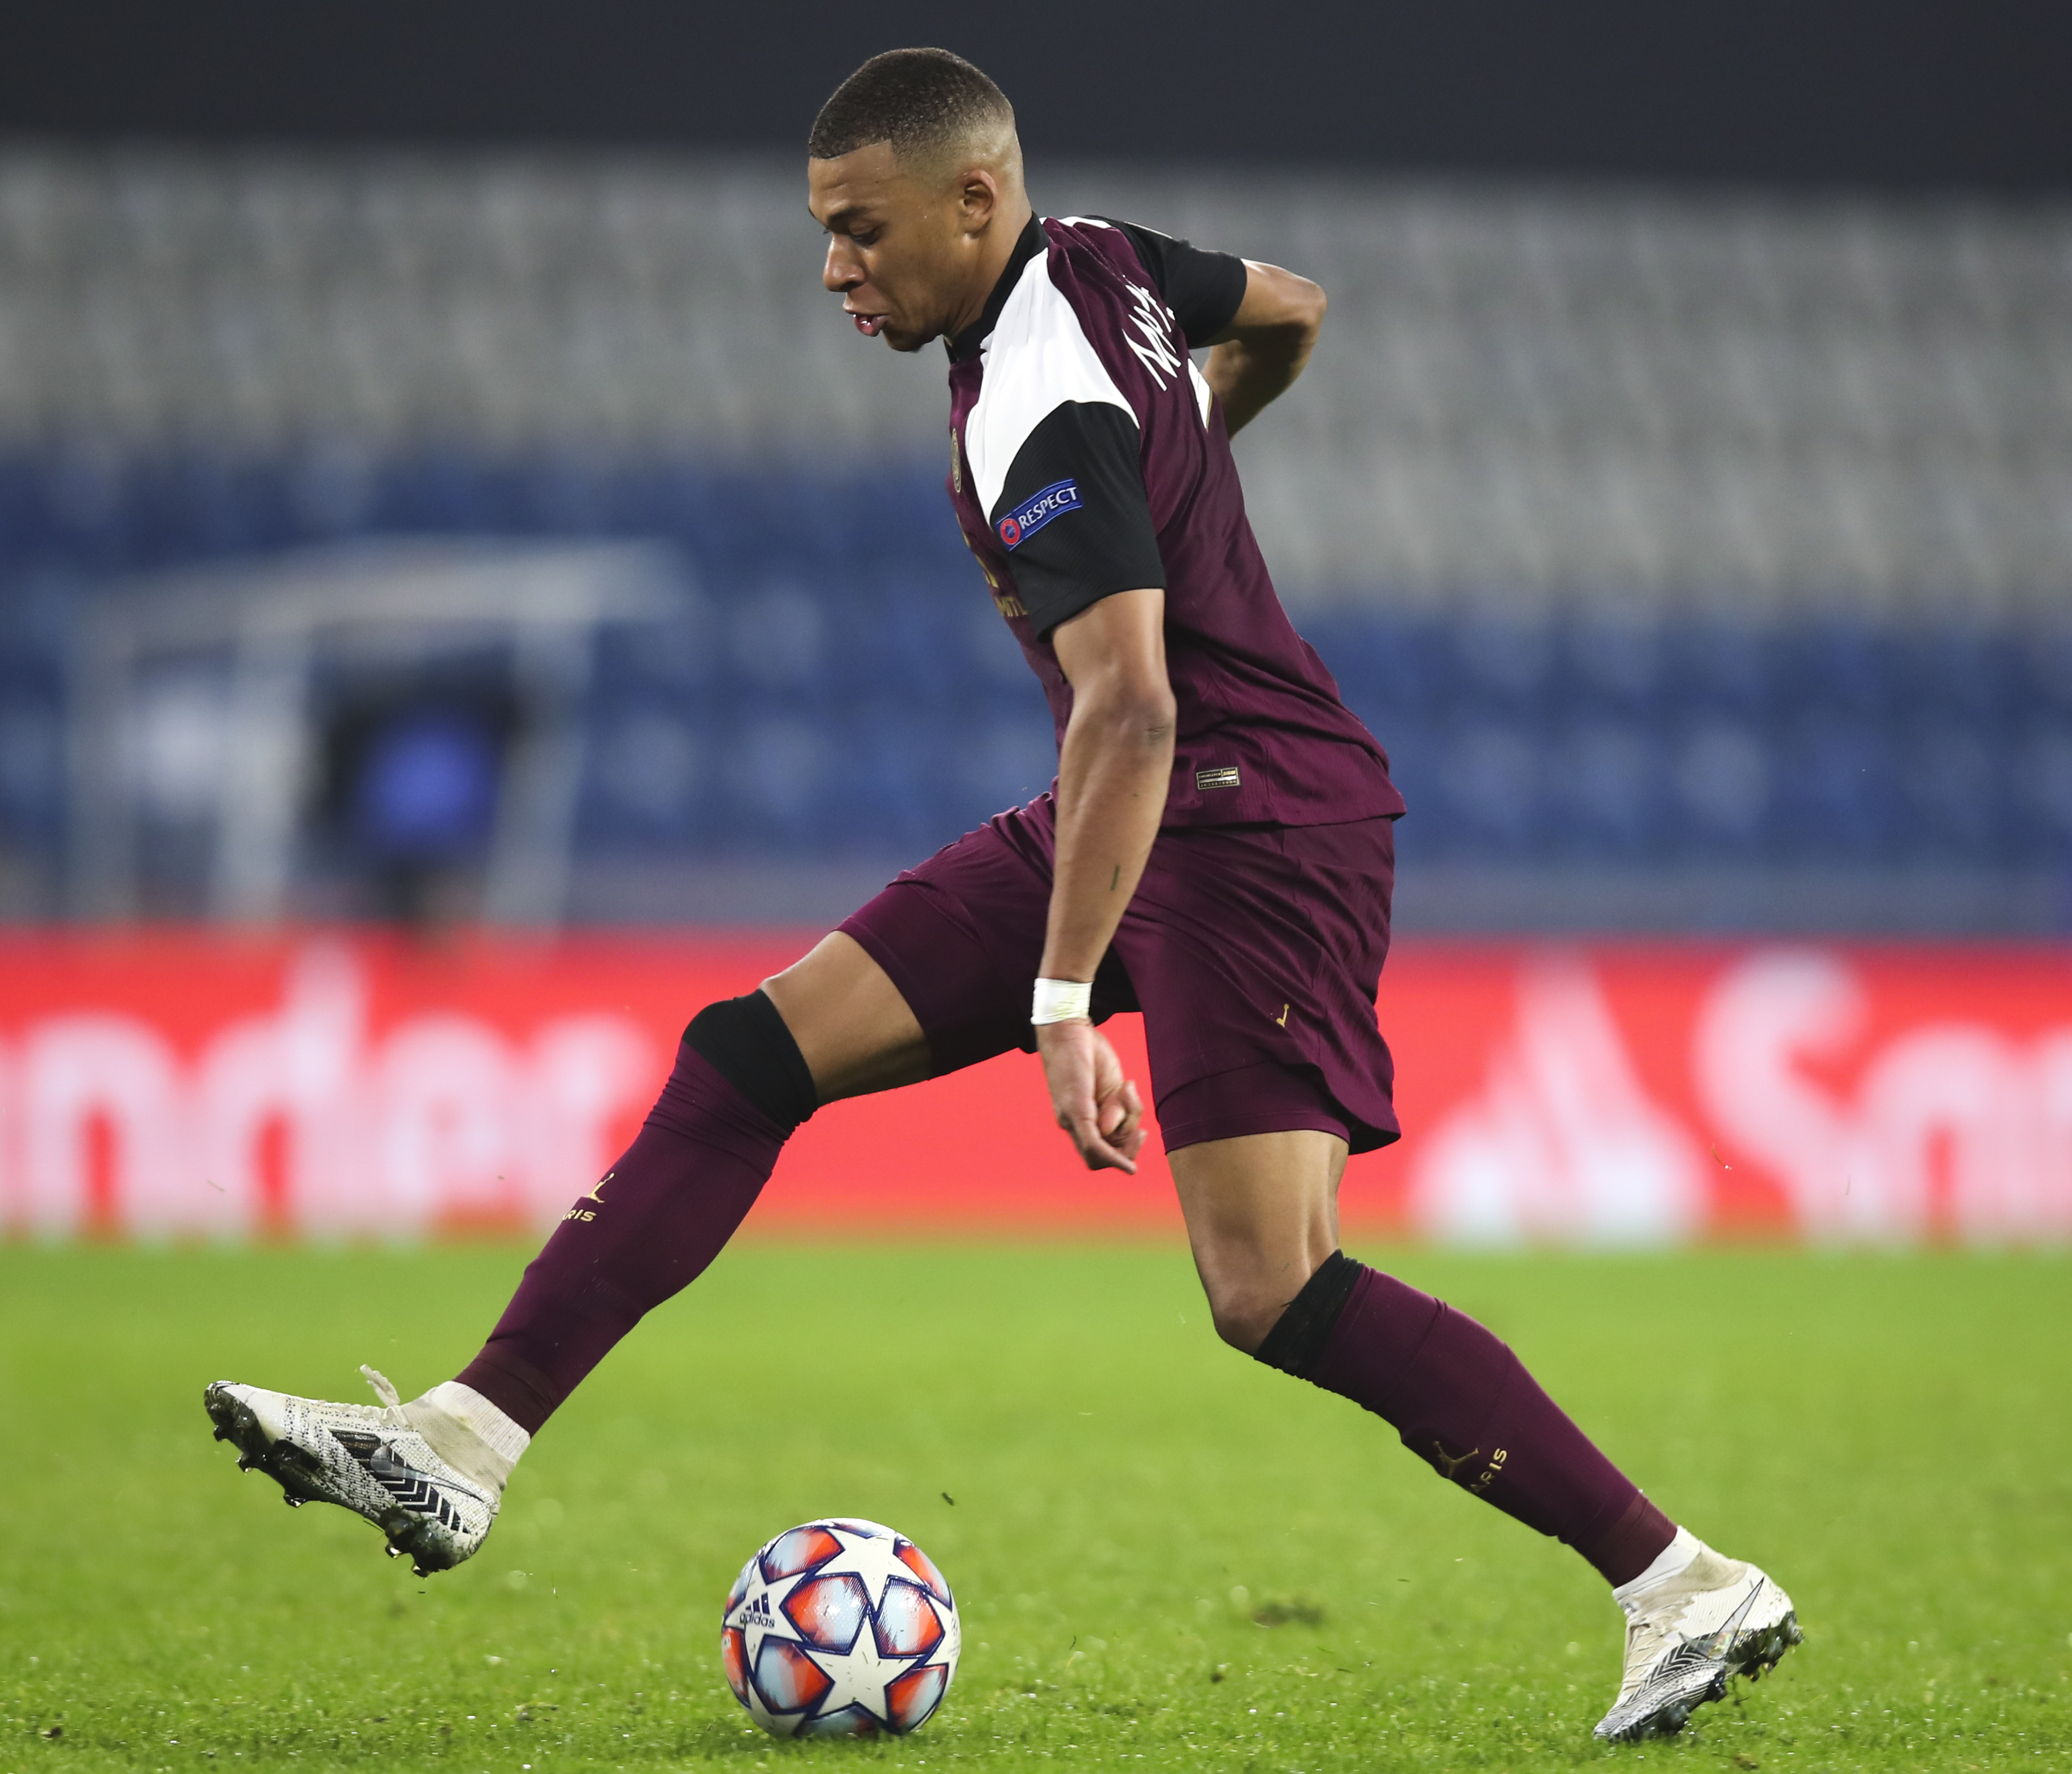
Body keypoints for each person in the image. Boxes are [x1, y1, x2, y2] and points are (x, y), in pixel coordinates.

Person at [204, 47, 1799, 1744]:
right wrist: (1175, 482)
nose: (833, 266)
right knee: (750, 1053)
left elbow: (1135, 703)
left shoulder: (1043, 389)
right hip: (1138, 816)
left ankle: (1677, 1580)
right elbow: (1293, 308)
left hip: (1253, 832)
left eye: (859, 229)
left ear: (973, 201)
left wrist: (1058, 1006)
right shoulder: (1096, 256)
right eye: (825, 232)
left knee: (1269, 1286)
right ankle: (460, 1443)